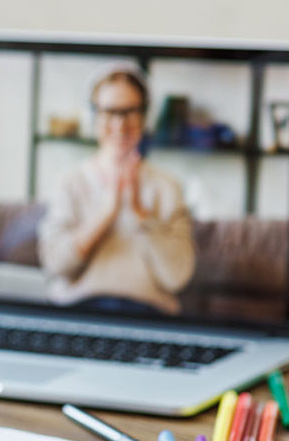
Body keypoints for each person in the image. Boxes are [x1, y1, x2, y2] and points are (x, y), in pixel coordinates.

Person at [38, 64, 195, 315]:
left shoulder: (167, 186)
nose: (120, 125)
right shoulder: (70, 181)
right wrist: (106, 212)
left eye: (130, 112)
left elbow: (177, 277)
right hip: (77, 310)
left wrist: (140, 214)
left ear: (144, 117)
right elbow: (56, 266)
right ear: (94, 116)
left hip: (147, 314)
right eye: (109, 112)